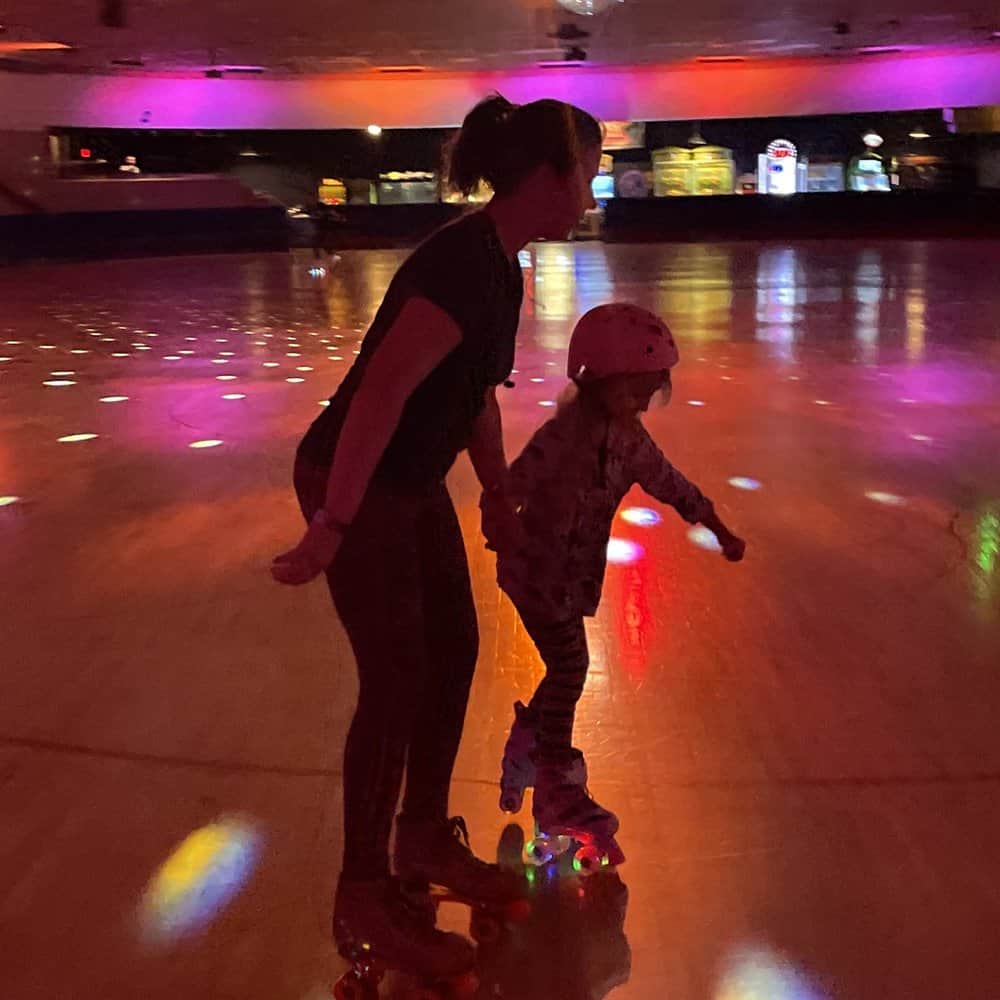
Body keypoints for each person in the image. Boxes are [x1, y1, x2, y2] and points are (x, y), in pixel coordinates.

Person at [270, 95, 604, 981]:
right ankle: (362, 887)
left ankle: (419, 839)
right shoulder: (459, 264)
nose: (596, 182)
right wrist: (332, 526)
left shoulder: (503, 264)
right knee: (396, 676)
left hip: (406, 483)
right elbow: (377, 398)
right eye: (593, 166)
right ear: (552, 177)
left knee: (452, 648)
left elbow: (474, 394)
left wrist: (495, 494)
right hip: (356, 476)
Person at [490, 304, 746, 867]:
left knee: (564, 669)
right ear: (601, 380)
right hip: (534, 573)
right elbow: (513, 482)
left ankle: (530, 740)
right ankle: (555, 780)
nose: (644, 404)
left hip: (568, 579)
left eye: (652, 393)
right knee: (571, 666)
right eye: (638, 391)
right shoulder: (562, 437)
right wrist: (499, 513)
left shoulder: (629, 441)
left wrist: (719, 527)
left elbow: (672, 485)